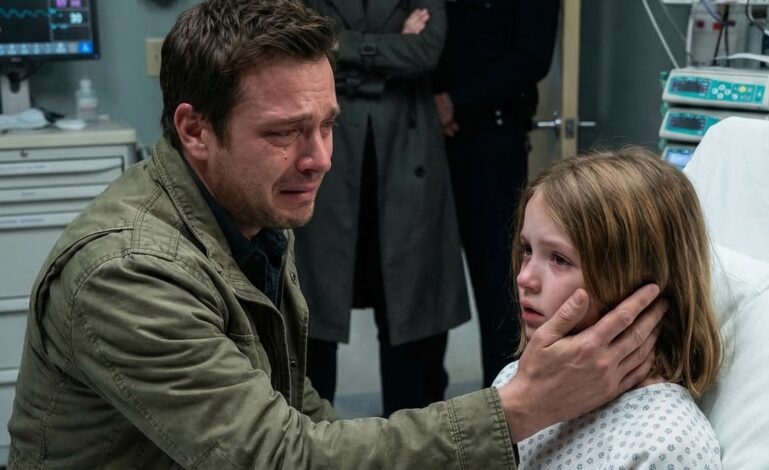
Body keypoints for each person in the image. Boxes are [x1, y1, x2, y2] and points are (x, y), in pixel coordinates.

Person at [8, 1, 664, 468]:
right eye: (284, 132)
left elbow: (302, 417)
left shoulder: (255, 223)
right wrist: (516, 409)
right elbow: (282, 457)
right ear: (195, 130)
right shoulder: (129, 274)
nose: (320, 158)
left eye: (327, 125)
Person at [493, 148, 723, 468]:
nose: (524, 277)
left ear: (636, 279)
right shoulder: (515, 384)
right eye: (527, 249)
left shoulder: (665, 444)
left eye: (559, 259)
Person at [296, 0, 469, 415]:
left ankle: (413, 439)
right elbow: (304, 52)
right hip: (329, 156)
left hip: (406, 160)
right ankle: (307, 437)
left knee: (410, 316)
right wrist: (391, 52)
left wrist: (347, 51)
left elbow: (425, 52)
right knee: (311, 315)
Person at [434, 0, 561, 387]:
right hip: (426, 136)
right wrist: (433, 106)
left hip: (493, 141)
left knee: (501, 288)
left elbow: (532, 58)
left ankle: (505, 402)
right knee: (424, 290)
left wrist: (455, 102)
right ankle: (419, 410)